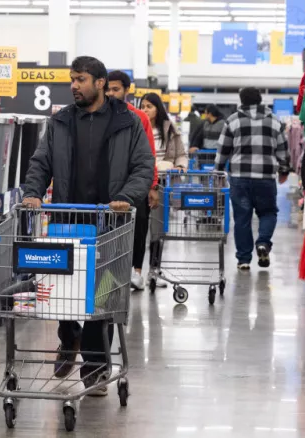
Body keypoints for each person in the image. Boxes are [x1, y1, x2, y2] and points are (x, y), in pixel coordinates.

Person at [22, 56, 154, 395]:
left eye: (80, 79)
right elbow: (41, 162)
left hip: (110, 223)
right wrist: (33, 192)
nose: (74, 86)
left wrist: (126, 197)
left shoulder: (128, 122)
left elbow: (143, 166)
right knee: (62, 290)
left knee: (103, 295)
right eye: (72, 79)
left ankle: (95, 366)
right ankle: (69, 338)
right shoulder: (61, 121)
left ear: (100, 83)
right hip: (68, 219)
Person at [215, 87, 290, 270]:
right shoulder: (274, 121)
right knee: (268, 213)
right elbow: (282, 149)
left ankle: (243, 260)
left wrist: (218, 171)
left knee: (242, 218)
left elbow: (223, 149)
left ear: (242, 101)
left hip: (239, 178)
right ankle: (263, 242)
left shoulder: (233, 120)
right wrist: (284, 170)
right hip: (265, 178)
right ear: (260, 100)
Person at [105, 71, 163, 290]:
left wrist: (152, 185)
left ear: (127, 91)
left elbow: (149, 155)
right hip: (108, 184)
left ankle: (136, 272)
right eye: (108, 89)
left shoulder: (139, 117)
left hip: (136, 182)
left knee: (139, 226)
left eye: (116, 89)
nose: (111, 93)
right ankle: (110, 273)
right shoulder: (99, 116)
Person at [140, 93, 188, 172]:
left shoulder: (170, 129)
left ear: (158, 109)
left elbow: (180, 154)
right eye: (142, 107)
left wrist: (180, 166)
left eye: (149, 107)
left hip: (166, 176)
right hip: (144, 175)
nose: (145, 110)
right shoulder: (137, 130)